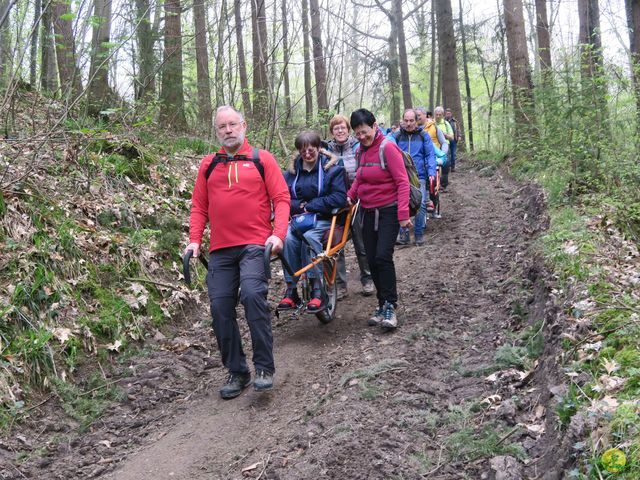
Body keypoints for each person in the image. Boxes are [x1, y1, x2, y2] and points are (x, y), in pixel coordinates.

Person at [185, 106, 290, 399]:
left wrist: (277, 235)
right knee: (219, 308)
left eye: (233, 124)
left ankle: (264, 368)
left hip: (255, 245)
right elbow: (199, 207)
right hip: (220, 249)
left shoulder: (261, 159)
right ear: (216, 132)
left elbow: (281, 199)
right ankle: (237, 371)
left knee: (253, 296)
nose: (228, 130)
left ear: (243, 125)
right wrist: (195, 240)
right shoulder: (208, 165)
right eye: (222, 127)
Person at [347, 108, 410, 330]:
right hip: (366, 211)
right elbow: (360, 178)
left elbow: (402, 182)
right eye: (358, 133)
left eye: (364, 131)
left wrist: (403, 215)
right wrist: (349, 197)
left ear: (374, 126)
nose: (362, 137)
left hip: (389, 212)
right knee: (371, 259)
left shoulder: (388, 147)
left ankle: (391, 306)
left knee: (383, 257)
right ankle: (381, 304)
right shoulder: (359, 152)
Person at [278, 131, 347, 311]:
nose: (307, 154)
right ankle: (291, 289)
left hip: (325, 218)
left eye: (311, 150)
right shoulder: (291, 173)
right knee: (287, 238)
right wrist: (300, 206)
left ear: (319, 148)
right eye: (303, 151)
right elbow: (283, 198)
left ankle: (317, 288)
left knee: (309, 237)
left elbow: (339, 198)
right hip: (299, 219)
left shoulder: (333, 169)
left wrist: (312, 205)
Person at [325, 114, 374, 298]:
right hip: (336, 205)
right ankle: (340, 285)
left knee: (361, 243)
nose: (340, 131)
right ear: (332, 131)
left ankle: (367, 279)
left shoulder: (358, 147)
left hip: (357, 202)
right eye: (336, 128)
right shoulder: (327, 151)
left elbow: (364, 172)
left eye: (343, 127)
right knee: (337, 245)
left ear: (348, 129)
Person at [389, 108, 436, 247]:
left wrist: (432, 172)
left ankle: (419, 234)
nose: (408, 123)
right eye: (406, 120)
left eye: (411, 120)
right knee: (400, 204)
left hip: (418, 176)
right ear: (402, 120)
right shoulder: (396, 136)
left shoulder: (423, 136)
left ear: (416, 121)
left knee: (420, 204)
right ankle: (404, 236)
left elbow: (430, 155)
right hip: (399, 176)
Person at [434, 106, 454, 189]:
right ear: (434, 114)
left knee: (445, 165)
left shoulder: (446, 124)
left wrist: (444, 135)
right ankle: (434, 184)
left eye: (440, 114)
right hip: (434, 147)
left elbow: (452, 137)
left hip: (445, 146)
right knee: (434, 166)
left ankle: (444, 185)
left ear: (442, 115)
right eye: (436, 114)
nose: (438, 116)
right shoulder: (431, 123)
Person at [445, 108, 461, 172]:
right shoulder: (443, 121)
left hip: (454, 140)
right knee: (447, 154)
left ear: (451, 114)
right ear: (445, 114)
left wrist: (459, 136)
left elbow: (458, 129)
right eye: (447, 113)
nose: (448, 114)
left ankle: (453, 167)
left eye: (449, 113)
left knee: (453, 154)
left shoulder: (455, 121)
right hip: (446, 140)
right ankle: (447, 167)